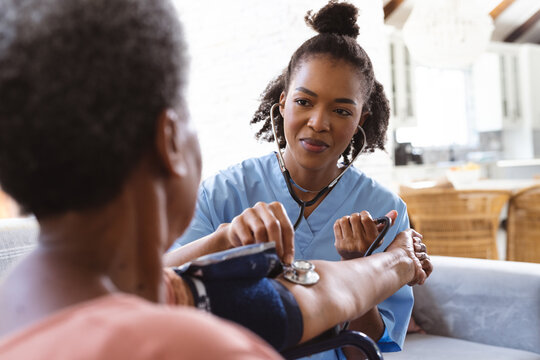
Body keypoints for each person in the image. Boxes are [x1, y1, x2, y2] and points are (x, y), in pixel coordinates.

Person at [0, 0, 432, 358]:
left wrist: (221, 245)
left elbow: (167, 284)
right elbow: (298, 304)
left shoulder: (19, 303)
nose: (318, 123)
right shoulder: (213, 344)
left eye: (341, 109)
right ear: (168, 139)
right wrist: (392, 263)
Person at [167, 1, 416, 358]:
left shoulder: (386, 212)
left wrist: (357, 269)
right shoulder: (222, 193)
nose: (318, 122)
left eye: (342, 110)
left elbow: (366, 354)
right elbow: (163, 295)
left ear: (362, 119)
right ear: (282, 102)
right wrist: (226, 241)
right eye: (304, 102)